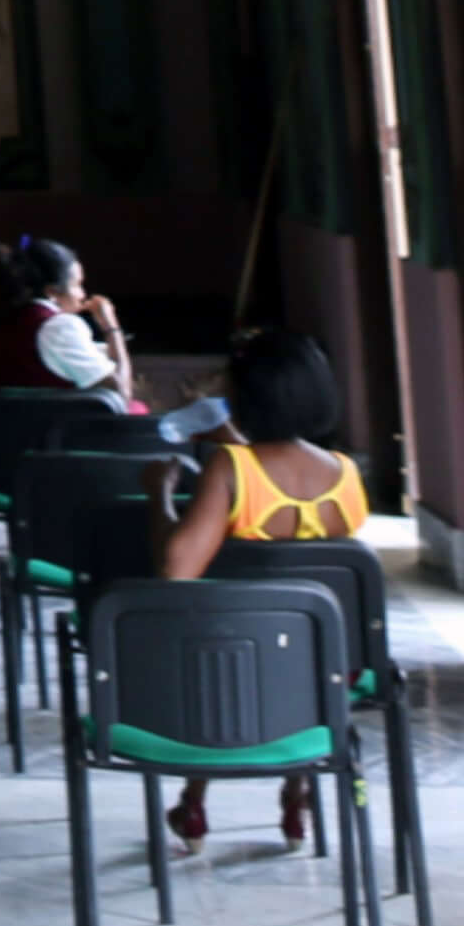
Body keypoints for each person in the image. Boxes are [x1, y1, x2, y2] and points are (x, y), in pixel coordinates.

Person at [156, 327, 369, 848]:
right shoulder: (346, 475)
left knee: (227, 643)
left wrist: (158, 495)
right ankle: (298, 797)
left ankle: (195, 802)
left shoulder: (231, 470)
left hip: (234, 665)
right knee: (297, 641)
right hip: (325, 669)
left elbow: (177, 568)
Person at [0, 235, 131, 399]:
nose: (82, 294)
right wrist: (112, 328)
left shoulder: (0, 323)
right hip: (58, 423)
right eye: (77, 285)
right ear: (52, 292)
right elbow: (121, 393)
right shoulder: (60, 327)